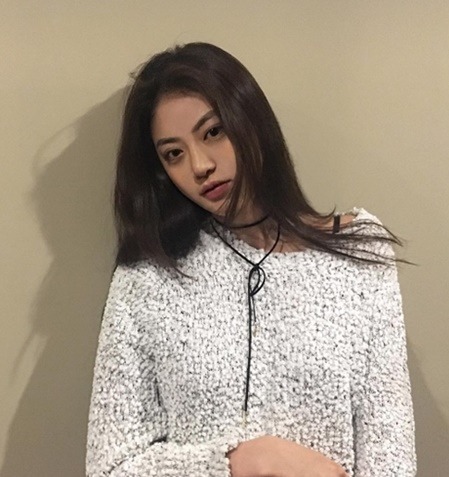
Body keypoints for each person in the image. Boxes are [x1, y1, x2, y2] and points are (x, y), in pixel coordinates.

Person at [86, 42, 416, 476]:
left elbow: (391, 454)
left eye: (213, 132)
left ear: (251, 121)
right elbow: (109, 468)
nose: (199, 165)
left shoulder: (361, 253)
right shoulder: (148, 276)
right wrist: (241, 462)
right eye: (173, 154)